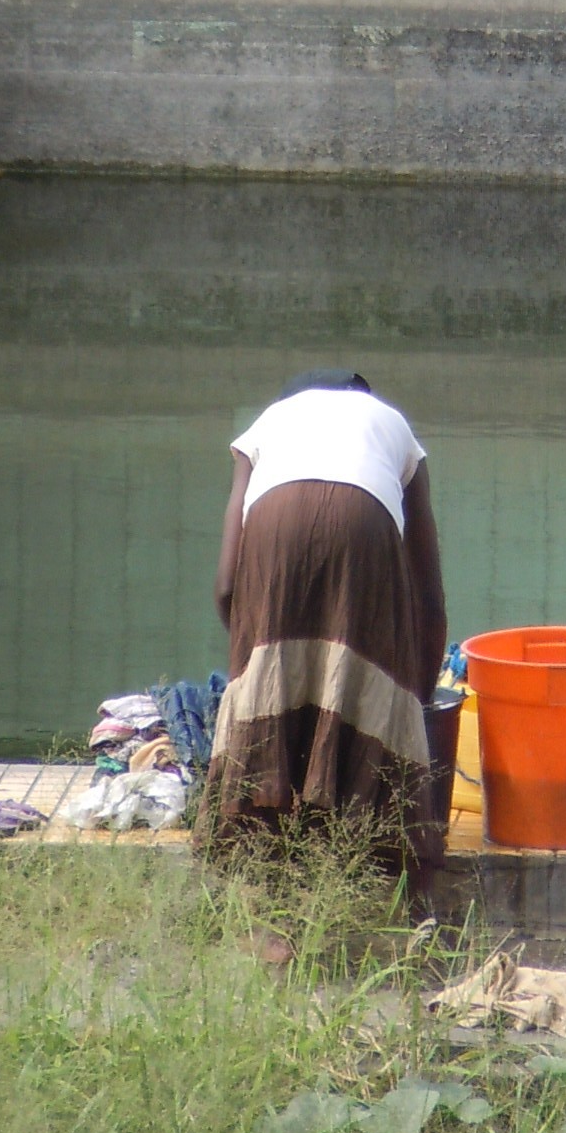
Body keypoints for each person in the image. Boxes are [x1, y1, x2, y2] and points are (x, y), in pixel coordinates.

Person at [201, 369, 448, 867]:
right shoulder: (393, 426)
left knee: (272, 681)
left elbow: (227, 585)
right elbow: (428, 601)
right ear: (361, 398)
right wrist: (414, 708)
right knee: (364, 656)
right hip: (366, 521)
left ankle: (264, 874)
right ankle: (380, 859)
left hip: (277, 519)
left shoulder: (269, 424)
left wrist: (255, 669)